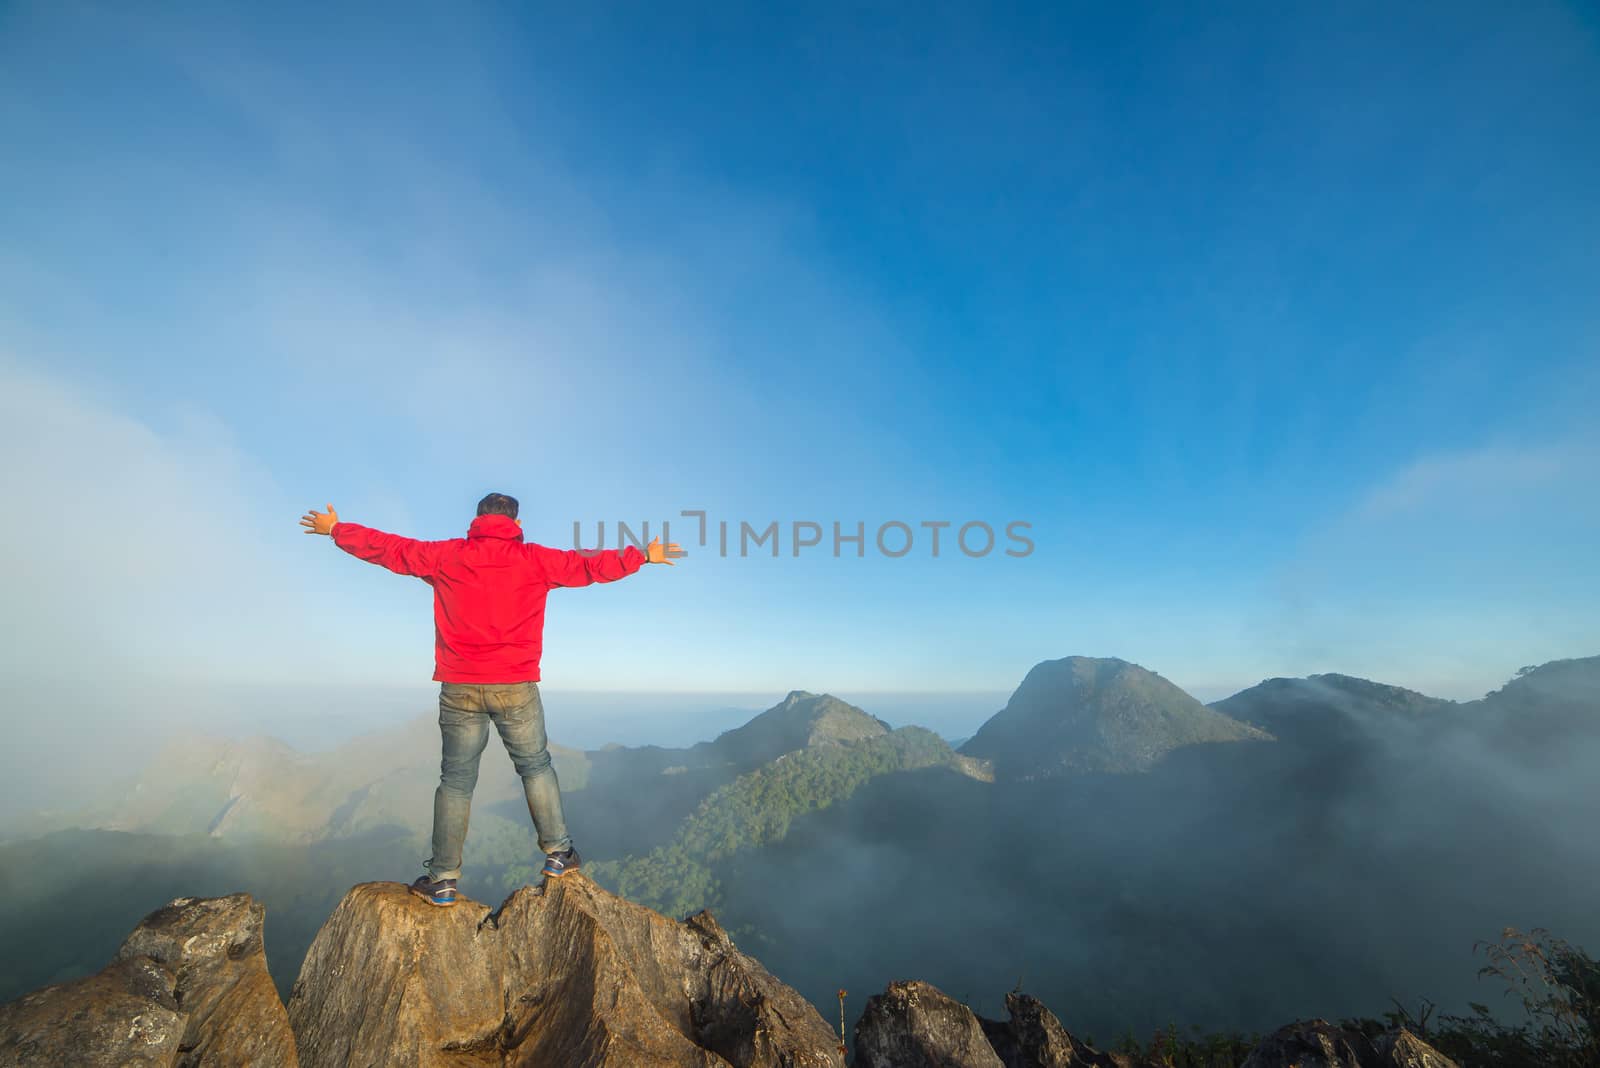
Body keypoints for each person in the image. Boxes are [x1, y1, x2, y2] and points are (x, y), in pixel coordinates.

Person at [299, 492, 679, 907]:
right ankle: (558, 854)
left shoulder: (448, 556)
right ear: (516, 521)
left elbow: (392, 550)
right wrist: (642, 555)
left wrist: (336, 529)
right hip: (515, 685)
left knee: (455, 782)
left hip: (458, 685)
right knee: (536, 766)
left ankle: (442, 879)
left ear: (478, 518)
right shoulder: (534, 559)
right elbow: (588, 566)